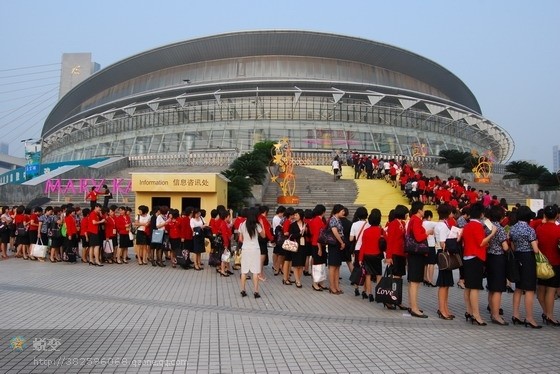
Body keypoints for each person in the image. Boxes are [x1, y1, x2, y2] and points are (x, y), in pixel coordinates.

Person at [462, 202, 497, 326]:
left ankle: (469, 311)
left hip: (467, 257)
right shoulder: (477, 226)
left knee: (468, 287)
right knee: (475, 288)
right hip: (475, 258)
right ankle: (476, 315)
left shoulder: (467, 225)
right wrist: (492, 233)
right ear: (481, 214)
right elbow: (481, 243)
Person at [510, 205, 542, 328]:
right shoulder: (529, 230)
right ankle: (529, 317)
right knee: (529, 289)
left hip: (518, 257)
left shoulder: (513, 229)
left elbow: (512, 246)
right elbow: (535, 249)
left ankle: (515, 314)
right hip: (528, 258)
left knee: (518, 287)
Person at [434, 204, 460, 320]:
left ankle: (445, 307)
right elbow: (443, 243)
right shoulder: (443, 226)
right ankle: (442, 309)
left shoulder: (440, 224)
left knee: (446, 284)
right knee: (444, 284)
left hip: (441, 253)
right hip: (444, 254)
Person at [535, 205, 560, 326]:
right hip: (555, 262)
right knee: (551, 290)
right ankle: (549, 315)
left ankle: (545, 312)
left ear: (544, 215)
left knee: (541, 288)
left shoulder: (539, 228)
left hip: (541, 263)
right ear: (557, 215)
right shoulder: (558, 229)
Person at [406, 201, 431, 318]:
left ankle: (412, 305)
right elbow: (418, 237)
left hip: (413, 254)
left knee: (413, 282)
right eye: (423, 209)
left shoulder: (413, 220)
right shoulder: (416, 220)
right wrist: (427, 233)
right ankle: (414, 308)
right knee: (415, 282)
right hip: (416, 254)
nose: (424, 211)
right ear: (419, 210)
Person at [485, 205, 509, 325]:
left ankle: (491, 310)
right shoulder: (499, 228)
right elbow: (505, 247)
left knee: (491, 287)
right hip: (498, 258)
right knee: (498, 289)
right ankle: (496, 315)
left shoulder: (487, 226)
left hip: (489, 257)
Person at [385, 204, 409, 310]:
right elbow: (390, 241)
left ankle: (397, 299)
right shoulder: (393, 224)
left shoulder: (403, 223)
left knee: (399, 278)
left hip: (401, 253)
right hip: (394, 253)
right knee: (394, 278)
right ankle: (389, 299)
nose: (407, 215)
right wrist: (389, 256)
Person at [239, 207, 267, 298]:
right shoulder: (257, 225)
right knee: (255, 271)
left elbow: (240, 239)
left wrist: (246, 243)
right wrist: (262, 225)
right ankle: (256, 291)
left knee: (244, 271)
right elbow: (263, 235)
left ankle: (243, 290)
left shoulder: (242, 224)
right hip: (255, 249)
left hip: (245, 249)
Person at [358, 209, 384, 302]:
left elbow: (363, 245)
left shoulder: (366, 231)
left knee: (368, 275)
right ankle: (379, 293)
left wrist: (360, 258)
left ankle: (370, 294)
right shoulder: (381, 231)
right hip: (377, 255)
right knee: (378, 274)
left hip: (367, 255)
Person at [327, 204, 346, 295]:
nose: (344, 212)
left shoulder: (338, 220)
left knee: (337, 266)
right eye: (342, 211)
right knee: (333, 266)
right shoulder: (333, 219)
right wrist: (341, 242)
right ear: (337, 211)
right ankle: (332, 287)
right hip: (334, 244)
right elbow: (335, 232)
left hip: (338, 244)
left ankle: (337, 286)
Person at [349, 206, 369, 297]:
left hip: (357, 249)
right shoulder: (369, 224)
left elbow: (351, 238)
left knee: (357, 268)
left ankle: (356, 288)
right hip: (366, 249)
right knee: (366, 269)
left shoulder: (354, 224)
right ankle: (365, 290)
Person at [308, 204, 328, 291]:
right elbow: (318, 235)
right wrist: (320, 248)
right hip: (317, 245)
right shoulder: (318, 221)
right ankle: (315, 283)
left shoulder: (314, 220)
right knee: (317, 264)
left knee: (321, 263)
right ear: (323, 212)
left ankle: (320, 282)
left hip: (317, 244)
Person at [288, 209, 308, 289]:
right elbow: (291, 236)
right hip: (296, 245)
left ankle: (298, 279)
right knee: (296, 264)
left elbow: (309, 235)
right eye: (294, 215)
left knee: (301, 264)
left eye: (296, 215)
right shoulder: (293, 225)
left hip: (303, 246)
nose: (295, 216)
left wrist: (306, 231)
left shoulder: (305, 224)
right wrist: (300, 233)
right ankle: (297, 280)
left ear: (301, 216)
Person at [422, 209, 437, 287]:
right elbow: (439, 225)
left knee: (425, 263)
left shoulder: (421, 223)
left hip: (423, 245)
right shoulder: (430, 223)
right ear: (429, 217)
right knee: (431, 263)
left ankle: (424, 278)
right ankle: (430, 280)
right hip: (431, 245)